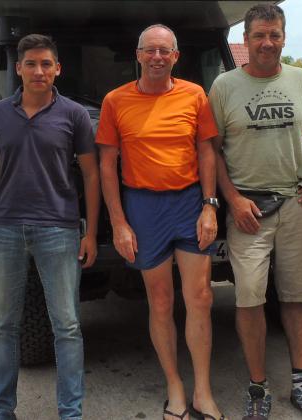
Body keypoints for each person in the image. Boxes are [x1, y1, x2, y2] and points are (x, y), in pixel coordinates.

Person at [208, 4, 302, 420]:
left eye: (275, 35)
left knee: (296, 298)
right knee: (248, 300)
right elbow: (210, 151)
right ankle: (258, 390)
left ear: (284, 38)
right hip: (247, 210)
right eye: (259, 35)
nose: (267, 42)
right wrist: (231, 199)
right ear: (245, 41)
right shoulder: (223, 86)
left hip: (294, 204)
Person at [96, 24, 225, 420]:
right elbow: (106, 165)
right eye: (149, 50)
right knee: (161, 301)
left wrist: (209, 206)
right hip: (143, 206)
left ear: (175, 56)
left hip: (189, 202)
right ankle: (175, 388)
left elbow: (206, 152)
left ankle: (203, 391)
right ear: (137, 55)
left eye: (163, 51)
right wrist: (118, 222)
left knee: (200, 298)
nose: (156, 57)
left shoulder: (194, 95)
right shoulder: (115, 101)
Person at [0, 34, 100, 420]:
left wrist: (90, 232)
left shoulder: (73, 114)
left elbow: (91, 176)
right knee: (3, 326)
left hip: (59, 230)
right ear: (19, 68)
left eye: (46, 64)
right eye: (31, 64)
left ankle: (70, 412)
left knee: (67, 326)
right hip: (6, 228)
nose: (39, 71)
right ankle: (2, 410)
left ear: (58, 68)